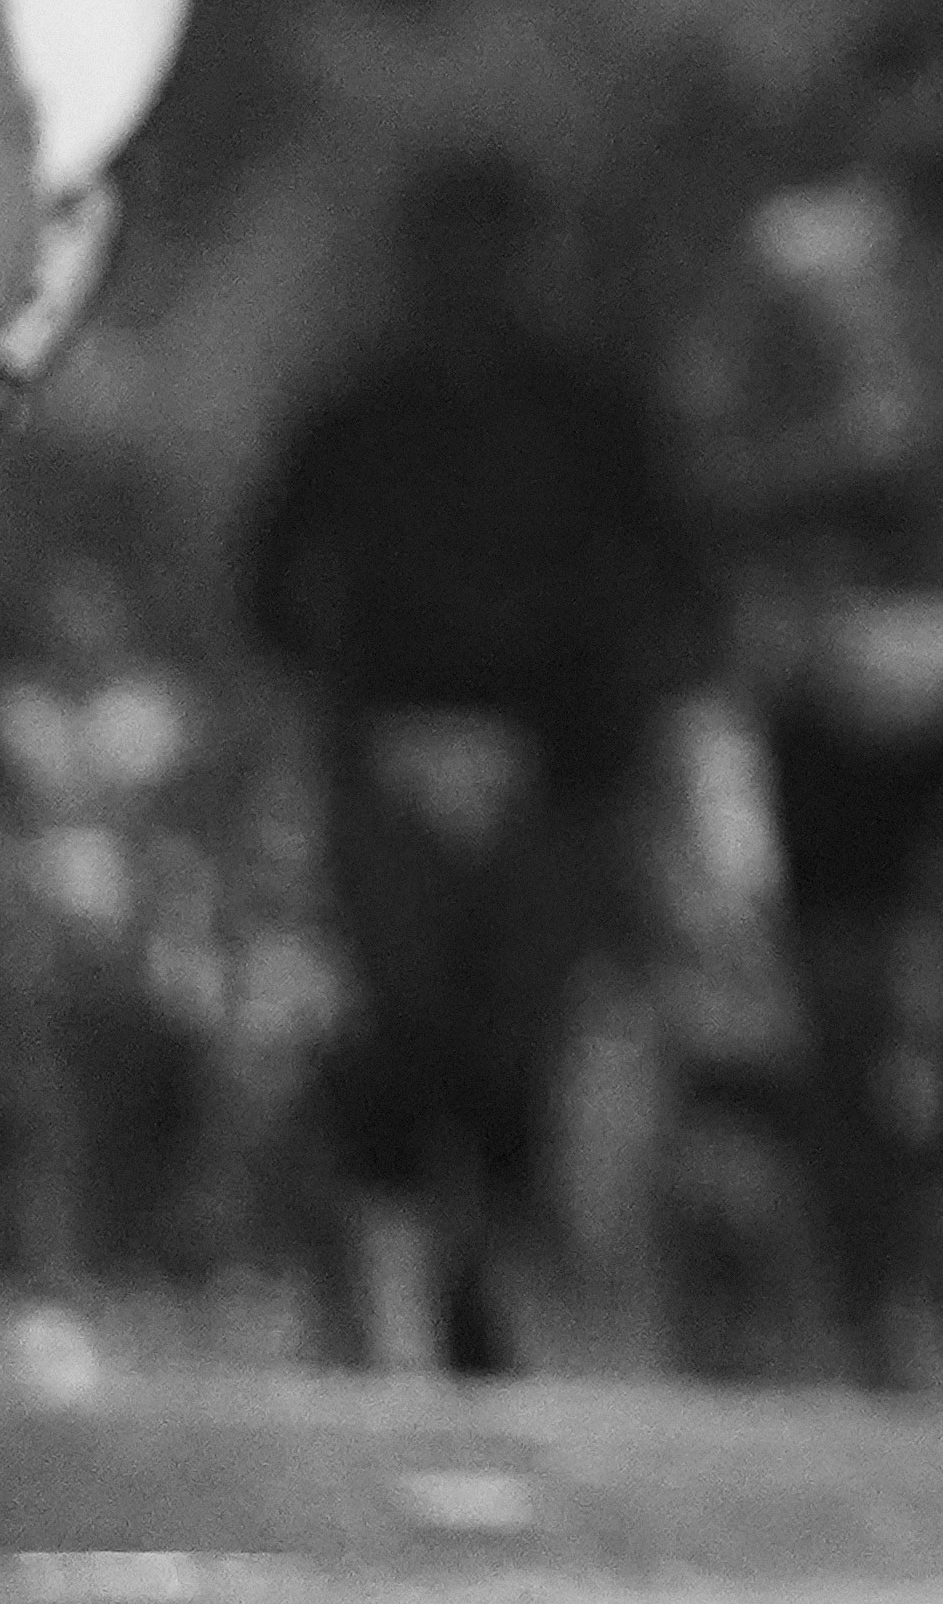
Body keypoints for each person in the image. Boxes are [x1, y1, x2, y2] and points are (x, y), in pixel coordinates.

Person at [677, 14, 943, 1383]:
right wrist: (834, 470)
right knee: (848, 999)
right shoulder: (794, 261)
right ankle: (870, 1278)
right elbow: (710, 465)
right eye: (919, 76)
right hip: (845, 660)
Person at [243, 143, 706, 1378]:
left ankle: (479, 1261)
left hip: (552, 756)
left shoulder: (595, 418)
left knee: (517, 1032)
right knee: (407, 1022)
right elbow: (273, 582)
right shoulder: (356, 416)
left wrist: (618, 701)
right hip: (396, 745)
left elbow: (673, 575)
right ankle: (385, 1261)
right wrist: (345, 697)